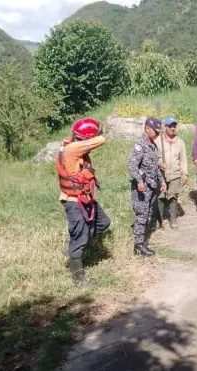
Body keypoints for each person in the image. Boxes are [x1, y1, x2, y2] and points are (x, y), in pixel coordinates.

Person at [56, 117, 112, 287]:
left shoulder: (74, 146)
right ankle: (78, 279)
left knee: (103, 222)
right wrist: (97, 134)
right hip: (74, 202)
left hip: (86, 198)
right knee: (79, 237)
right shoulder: (72, 149)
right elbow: (101, 139)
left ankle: (72, 247)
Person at [128, 117, 166, 256]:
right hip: (142, 188)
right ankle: (138, 246)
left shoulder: (153, 145)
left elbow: (155, 167)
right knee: (142, 215)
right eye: (155, 131)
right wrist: (139, 181)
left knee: (148, 214)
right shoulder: (140, 145)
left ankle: (143, 241)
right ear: (147, 129)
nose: (157, 134)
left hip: (152, 186)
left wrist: (162, 181)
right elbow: (132, 166)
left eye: (158, 132)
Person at [154, 117, 188, 230]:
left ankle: (173, 220)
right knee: (161, 197)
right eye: (170, 126)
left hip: (175, 174)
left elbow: (183, 160)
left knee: (173, 197)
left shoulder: (180, 142)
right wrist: (159, 163)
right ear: (165, 127)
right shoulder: (157, 141)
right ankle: (160, 221)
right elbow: (152, 157)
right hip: (160, 174)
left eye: (174, 126)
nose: (173, 128)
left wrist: (184, 174)